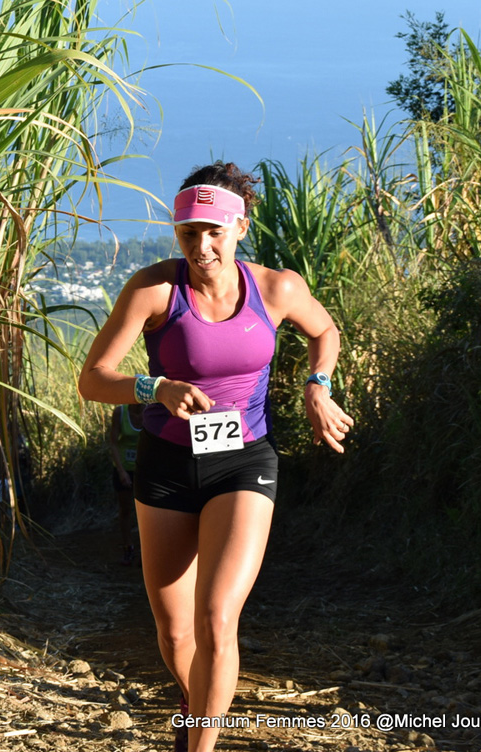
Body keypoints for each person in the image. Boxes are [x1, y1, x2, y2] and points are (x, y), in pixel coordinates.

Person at [78, 161, 354, 752]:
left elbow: (324, 332)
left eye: (214, 232)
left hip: (244, 462)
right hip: (167, 465)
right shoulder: (154, 290)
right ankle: (198, 700)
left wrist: (318, 385)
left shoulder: (276, 289)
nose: (201, 246)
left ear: (240, 228)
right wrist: (155, 388)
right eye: (188, 233)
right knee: (177, 634)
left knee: (216, 618)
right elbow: (93, 379)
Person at [108, 403, 143, 565]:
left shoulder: (151, 411)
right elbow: (113, 443)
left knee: (147, 512)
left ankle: (146, 551)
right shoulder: (120, 412)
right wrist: (121, 471)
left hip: (144, 469)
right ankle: (128, 548)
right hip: (124, 468)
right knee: (125, 509)